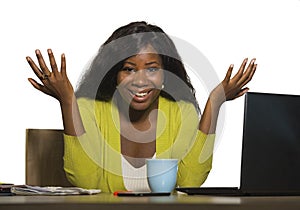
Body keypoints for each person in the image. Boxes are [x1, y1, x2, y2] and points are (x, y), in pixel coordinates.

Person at [26, 21, 257, 193]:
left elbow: (190, 182)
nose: (140, 80)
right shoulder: (88, 108)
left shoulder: (180, 111)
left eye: (152, 69)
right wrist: (67, 101)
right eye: (128, 69)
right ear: (113, 74)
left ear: (165, 74)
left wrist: (215, 102)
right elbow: (87, 183)